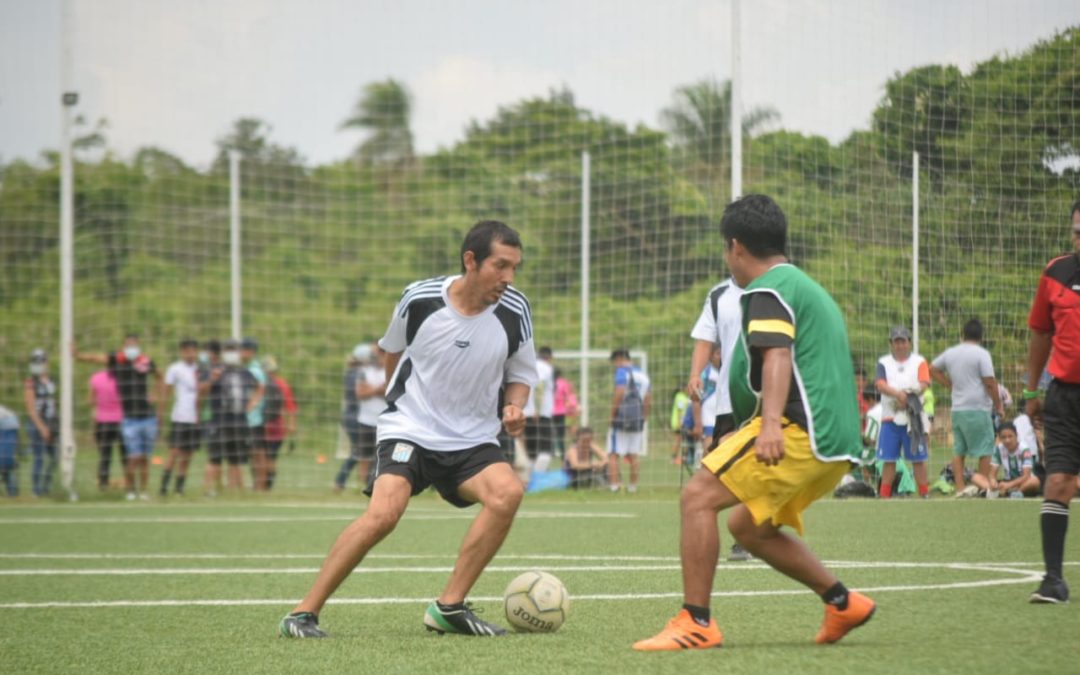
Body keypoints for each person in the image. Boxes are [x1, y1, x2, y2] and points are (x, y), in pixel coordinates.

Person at [634, 194, 873, 652]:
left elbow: (778, 356)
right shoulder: (802, 285)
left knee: (696, 497)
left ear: (736, 247)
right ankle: (842, 602)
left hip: (801, 433)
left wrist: (767, 427)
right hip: (837, 442)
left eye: (727, 251)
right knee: (748, 527)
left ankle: (696, 621)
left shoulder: (766, 289)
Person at [280, 219, 537, 638]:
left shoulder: (516, 309)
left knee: (507, 493)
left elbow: (521, 373)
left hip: (472, 438)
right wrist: (400, 406)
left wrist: (514, 406)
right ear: (471, 261)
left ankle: (449, 608)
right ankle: (302, 613)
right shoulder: (419, 298)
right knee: (384, 514)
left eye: (515, 268)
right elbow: (391, 353)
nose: (508, 278)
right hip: (410, 429)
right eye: (500, 266)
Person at [1024, 199, 1080, 604]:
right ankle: (1053, 581)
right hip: (1064, 396)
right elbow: (1041, 334)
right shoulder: (1055, 272)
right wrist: (1031, 391)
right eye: (1076, 230)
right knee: (1058, 481)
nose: (1079, 238)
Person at [689, 274, 750, 561]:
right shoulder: (719, 295)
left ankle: (748, 536)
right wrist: (694, 375)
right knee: (730, 468)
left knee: (753, 467)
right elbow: (705, 339)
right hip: (729, 399)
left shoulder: (780, 285)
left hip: (771, 397)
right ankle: (745, 535)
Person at [75, 335, 164, 501]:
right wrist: (78, 355)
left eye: (134, 345)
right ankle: (130, 491)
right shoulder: (117, 360)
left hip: (148, 417)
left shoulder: (144, 362)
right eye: (128, 345)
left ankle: (143, 492)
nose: (132, 348)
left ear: (139, 346)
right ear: (123, 347)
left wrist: (156, 394)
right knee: (132, 457)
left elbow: (159, 375)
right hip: (129, 419)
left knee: (145, 458)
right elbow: (96, 358)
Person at [930, 318, 1005, 496]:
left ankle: (960, 487)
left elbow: (932, 368)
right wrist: (999, 405)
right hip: (978, 408)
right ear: (981, 336)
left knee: (959, 449)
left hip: (957, 409)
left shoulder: (950, 353)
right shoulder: (982, 354)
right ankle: (982, 486)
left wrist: (949, 385)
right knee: (986, 449)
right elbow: (990, 382)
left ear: (962, 334)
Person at [874, 326, 931, 499]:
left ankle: (924, 494)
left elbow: (924, 383)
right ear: (891, 343)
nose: (900, 345)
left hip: (912, 418)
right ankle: (884, 494)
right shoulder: (883, 362)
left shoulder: (919, 361)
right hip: (890, 417)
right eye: (896, 341)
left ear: (909, 343)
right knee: (889, 459)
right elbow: (880, 384)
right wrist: (897, 394)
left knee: (918, 459)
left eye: (903, 341)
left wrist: (908, 396)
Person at [206, 339, 259, 492]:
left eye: (234, 350)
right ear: (223, 353)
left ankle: (234, 490)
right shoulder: (216, 370)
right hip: (220, 420)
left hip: (239, 420)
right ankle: (208, 489)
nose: (231, 354)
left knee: (236, 459)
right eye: (228, 350)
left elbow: (259, 387)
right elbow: (202, 390)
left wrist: (252, 403)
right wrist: (212, 379)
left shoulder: (244, 372)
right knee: (215, 458)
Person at [335, 344, 385, 492]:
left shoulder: (358, 371)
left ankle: (344, 482)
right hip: (356, 417)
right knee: (361, 452)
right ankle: (343, 482)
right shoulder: (358, 372)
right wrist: (377, 390)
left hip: (358, 416)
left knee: (363, 453)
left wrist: (372, 390)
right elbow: (361, 393)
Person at [607, 348, 652, 494]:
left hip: (622, 419)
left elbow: (619, 392)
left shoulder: (622, 372)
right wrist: (644, 417)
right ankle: (633, 487)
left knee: (613, 453)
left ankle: (614, 486)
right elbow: (648, 398)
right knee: (634, 454)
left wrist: (612, 414)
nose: (615, 365)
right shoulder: (643, 375)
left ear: (619, 358)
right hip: (637, 419)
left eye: (615, 362)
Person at [160, 339, 201, 496]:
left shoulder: (200, 369)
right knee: (174, 452)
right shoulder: (175, 369)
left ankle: (179, 488)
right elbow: (167, 390)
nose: (191, 354)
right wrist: (162, 412)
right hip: (180, 417)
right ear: (182, 352)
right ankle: (163, 487)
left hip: (195, 418)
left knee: (188, 455)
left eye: (193, 351)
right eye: (188, 351)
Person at [24, 349, 59, 498]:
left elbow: (54, 403)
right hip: (37, 423)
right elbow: (31, 409)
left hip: (51, 422)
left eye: (41, 362)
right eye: (35, 362)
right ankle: (36, 490)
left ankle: (47, 486)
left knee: (55, 457)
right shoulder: (31, 383)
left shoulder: (53, 381)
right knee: (39, 457)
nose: (39, 365)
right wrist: (42, 427)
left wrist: (54, 424)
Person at [972, 422, 1040, 498]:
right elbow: (992, 474)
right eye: (1003, 437)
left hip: (1022, 482)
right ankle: (1000, 492)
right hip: (1007, 481)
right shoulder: (998, 449)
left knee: (1034, 481)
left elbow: (1026, 476)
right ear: (1000, 438)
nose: (1007, 440)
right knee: (976, 477)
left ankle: (1017, 492)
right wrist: (993, 481)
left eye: (1010, 436)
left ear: (1016, 435)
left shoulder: (1024, 449)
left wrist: (1009, 485)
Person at [89, 367, 128, 492]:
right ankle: (129, 483)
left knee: (105, 456)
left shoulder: (96, 378)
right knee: (125, 455)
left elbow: (91, 401)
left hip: (103, 422)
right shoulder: (124, 378)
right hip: (121, 421)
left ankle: (103, 484)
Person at [262, 355, 297, 490]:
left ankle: (263, 486)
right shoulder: (282, 384)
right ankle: (266, 485)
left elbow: (290, 407)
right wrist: (292, 425)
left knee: (264, 457)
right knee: (270, 458)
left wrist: (291, 424)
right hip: (277, 426)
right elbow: (291, 407)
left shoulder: (264, 383)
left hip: (267, 425)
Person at [241, 338, 268, 490]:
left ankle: (260, 485)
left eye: (243, 350)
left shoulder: (254, 370)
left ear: (251, 352)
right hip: (253, 418)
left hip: (254, 419)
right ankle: (257, 485)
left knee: (258, 453)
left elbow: (260, 389)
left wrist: (251, 405)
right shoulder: (251, 368)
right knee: (255, 453)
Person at [523, 346, 555, 464]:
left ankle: (531, 477)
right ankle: (538, 478)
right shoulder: (545, 367)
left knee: (531, 448)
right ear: (551, 357)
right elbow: (539, 386)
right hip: (540, 414)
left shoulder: (531, 366)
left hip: (527, 413)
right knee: (545, 448)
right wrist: (537, 409)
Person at [552, 368, 578, 457]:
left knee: (550, 433)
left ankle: (552, 452)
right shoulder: (563, 383)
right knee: (561, 435)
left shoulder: (549, 381)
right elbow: (567, 397)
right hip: (561, 413)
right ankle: (563, 455)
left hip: (549, 412)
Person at [0, 404, 20, 496]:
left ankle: (12, 491)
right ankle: (12, 491)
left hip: (8, 425)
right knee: (5, 463)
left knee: (5, 463)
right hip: (10, 424)